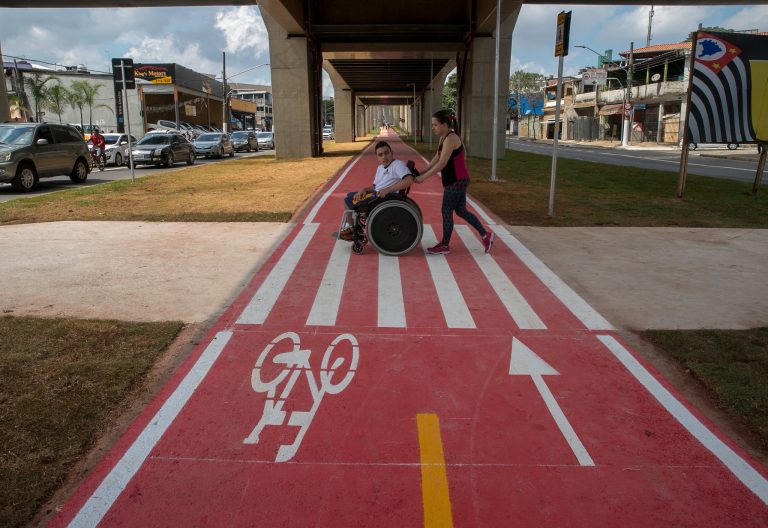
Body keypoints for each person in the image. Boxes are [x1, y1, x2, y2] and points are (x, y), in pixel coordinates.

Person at [415, 109, 494, 255]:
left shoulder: (451, 138)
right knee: (461, 211)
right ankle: (485, 235)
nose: (433, 128)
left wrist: (423, 178)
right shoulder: (444, 137)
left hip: (456, 181)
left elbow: (442, 163)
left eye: (435, 125)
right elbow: (437, 157)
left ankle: (445, 245)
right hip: (457, 180)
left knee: (446, 211)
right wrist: (422, 171)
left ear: (444, 124)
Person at [339, 140, 415, 241]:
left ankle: (354, 231)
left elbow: (409, 180)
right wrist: (364, 189)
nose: (384, 157)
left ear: (392, 152)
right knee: (351, 195)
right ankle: (356, 227)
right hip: (376, 195)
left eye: (386, 153)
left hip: (382, 198)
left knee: (347, 201)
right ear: (377, 158)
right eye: (380, 155)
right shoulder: (380, 168)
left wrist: (388, 189)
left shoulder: (398, 165)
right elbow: (375, 187)